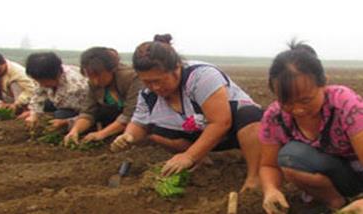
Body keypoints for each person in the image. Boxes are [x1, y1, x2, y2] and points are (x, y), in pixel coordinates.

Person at [111, 34, 263, 192]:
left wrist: (189, 156)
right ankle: (202, 160)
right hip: (199, 133)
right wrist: (128, 135)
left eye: (159, 80)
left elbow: (221, 122)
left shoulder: (201, 76)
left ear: (176, 68)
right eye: (147, 82)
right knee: (156, 132)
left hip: (234, 132)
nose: (154, 87)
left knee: (249, 114)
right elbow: (139, 124)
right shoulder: (147, 94)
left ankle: (255, 177)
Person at [259, 41, 363, 214]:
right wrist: (270, 190)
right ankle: (337, 203)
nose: (298, 109)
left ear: (324, 84)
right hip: (335, 176)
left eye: (306, 100)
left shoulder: (345, 104)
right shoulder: (275, 116)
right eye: (287, 102)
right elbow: (268, 165)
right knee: (291, 157)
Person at [63, 47, 143, 143]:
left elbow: (130, 114)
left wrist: (102, 133)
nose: (95, 81)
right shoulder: (93, 83)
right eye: (90, 76)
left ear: (111, 69)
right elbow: (88, 112)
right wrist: (75, 131)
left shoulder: (131, 78)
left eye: (98, 75)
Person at [23, 52, 96, 131]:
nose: (41, 84)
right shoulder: (44, 76)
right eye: (38, 81)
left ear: (57, 74)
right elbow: (38, 95)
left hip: (80, 106)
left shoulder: (76, 87)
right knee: (45, 104)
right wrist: (34, 115)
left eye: (43, 81)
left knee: (61, 114)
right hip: (61, 100)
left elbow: (89, 112)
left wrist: (65, 122)